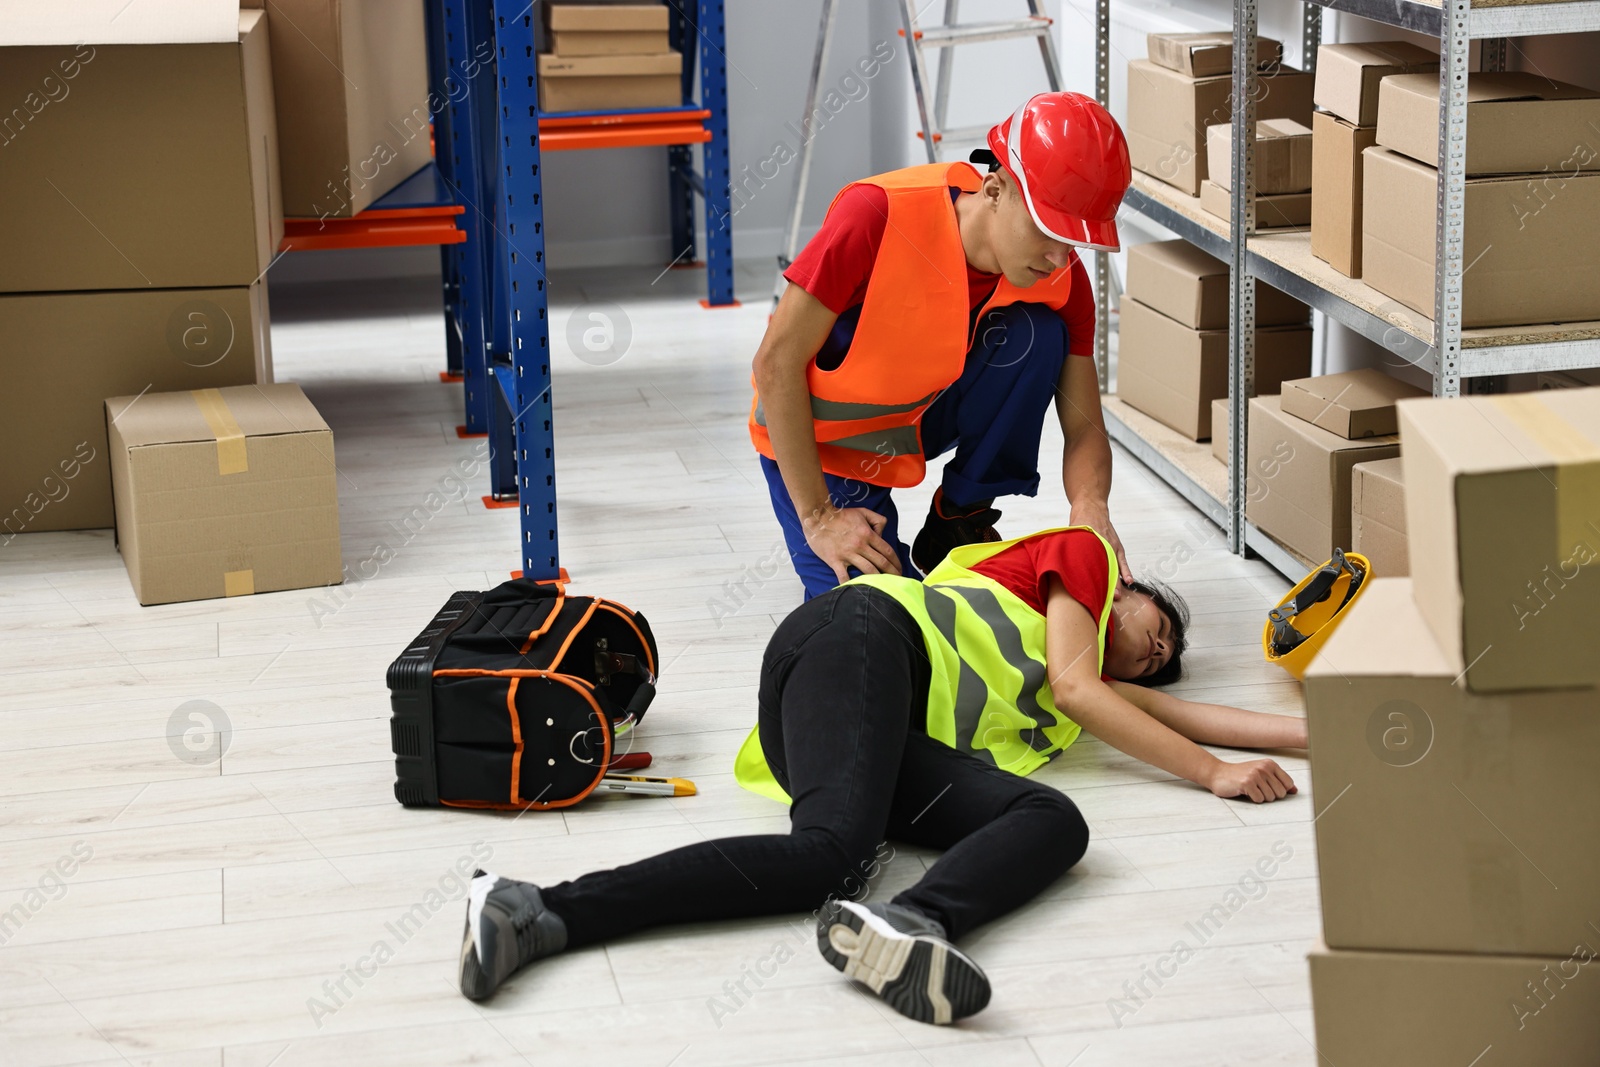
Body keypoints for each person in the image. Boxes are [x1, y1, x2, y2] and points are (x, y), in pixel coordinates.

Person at [457, 527, 1305, 1023]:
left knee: (1053, 818)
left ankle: (908, 923)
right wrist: (1214, 777)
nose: (1159, 649)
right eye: (1158, 624)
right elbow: (1092, 691)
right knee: (833, 849)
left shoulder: (1078, 677)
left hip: (866, 735)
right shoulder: (1082, 559)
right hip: (857, 639)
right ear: (1124, 588)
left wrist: (1335, 734)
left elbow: (1184, 714)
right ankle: (538, 908)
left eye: (1162, 660)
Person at [751, 92, 1135, 601]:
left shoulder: (1061, 278)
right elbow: (776, 364)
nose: (1058, 257)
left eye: (1073, 241)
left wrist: (1090, 509)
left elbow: (1085, 425)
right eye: (1047, 230)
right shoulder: (877, 215)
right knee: (885, 619)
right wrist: (819, 516)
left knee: (1039, 336)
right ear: (995, 189)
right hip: (825, 444)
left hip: (913, 419)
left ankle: (959, 518)